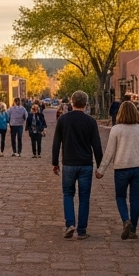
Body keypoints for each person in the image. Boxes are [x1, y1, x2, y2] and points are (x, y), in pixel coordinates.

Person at [51, 90, 103, 240]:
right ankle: (82, 230)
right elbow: (97, 146)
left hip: (68, 163)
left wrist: (55, 162)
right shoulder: (90, 121)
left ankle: (70, 224)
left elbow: (56, 143)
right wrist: (100, 166)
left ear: (72, 102)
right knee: (84, 197)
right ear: (86, 104)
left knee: (68, 194)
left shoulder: (63, 120)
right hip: (86, 164)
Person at [96, 99, 139, 239]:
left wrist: (101, 170)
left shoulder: (116, 129)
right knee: (135, 198)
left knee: (120, 197)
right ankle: (133, 229)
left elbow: (109, 151)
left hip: (122, 168)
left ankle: (126, 220)